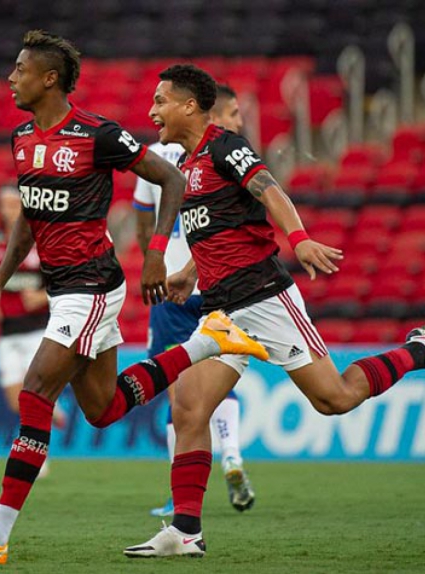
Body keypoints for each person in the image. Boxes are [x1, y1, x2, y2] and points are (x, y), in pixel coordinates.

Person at [0, 33, 268, 565]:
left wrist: (156, 253)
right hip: (64, 287)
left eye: (20, 69)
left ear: (49, 79)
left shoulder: (97, 134)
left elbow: (172, 178)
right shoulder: (22, 137)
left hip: (90, 285)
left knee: (35, 392)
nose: (11, 78)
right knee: (103, 408)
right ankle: (207, 344)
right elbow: (30, 216)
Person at [124, 64, 425, 559]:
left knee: (334, 399)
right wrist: (189, 273)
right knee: (188, 408)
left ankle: (419, 351)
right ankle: (186, 531)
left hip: (265, 299)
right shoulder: (185, 163)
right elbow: (220, 231)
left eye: (160, 101)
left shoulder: (225, 146)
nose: (152, 111)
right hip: (222, 311)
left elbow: (269, 189)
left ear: (189, 106)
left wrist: (300, 238)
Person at [134, 84, 254, 517]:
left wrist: (155, 262)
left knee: (177, 389)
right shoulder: (231, 158)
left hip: (171, 287)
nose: (240, 122)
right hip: (220, 286)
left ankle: (176, 492)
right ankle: (232, 455)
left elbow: (142, 221)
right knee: (220, 377)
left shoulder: (153, 156)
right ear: (213, 114)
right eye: (234, 113)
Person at [0, 185, 66, 477]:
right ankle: (53, 409)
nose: (9, 210)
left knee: (32, 395)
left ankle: (37, 456)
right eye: (4, 204)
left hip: (38, 328)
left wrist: (42, 297)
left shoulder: (41, 238)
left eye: (13, 204)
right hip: (8, 329)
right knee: (14, 397)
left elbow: (61, 277)